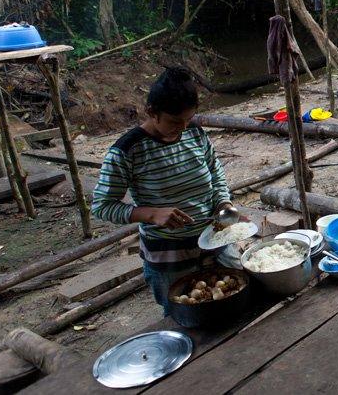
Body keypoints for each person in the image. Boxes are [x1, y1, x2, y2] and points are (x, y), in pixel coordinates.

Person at [92, 67, 244, 313]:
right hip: (170, 257)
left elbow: (215, 171)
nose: (182, 128)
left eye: (188, 119)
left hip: (215, 240)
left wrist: (223, 203)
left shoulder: (194, 133)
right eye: (175, 122)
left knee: (233, 305)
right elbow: (102, 206)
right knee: (186, 315)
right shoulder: (126, 151)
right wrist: (151, 214)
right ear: (152, 112)